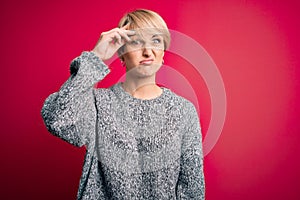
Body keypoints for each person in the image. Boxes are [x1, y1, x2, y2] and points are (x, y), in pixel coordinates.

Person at [41, 9, 205, 200]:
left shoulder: (183, 111)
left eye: (156, 41)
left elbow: (192, 189)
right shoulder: (97, 103)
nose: (147, 51)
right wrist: (95, 57)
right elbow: (57, 119)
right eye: (136, 42)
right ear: (121, 54)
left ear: (163, 54)